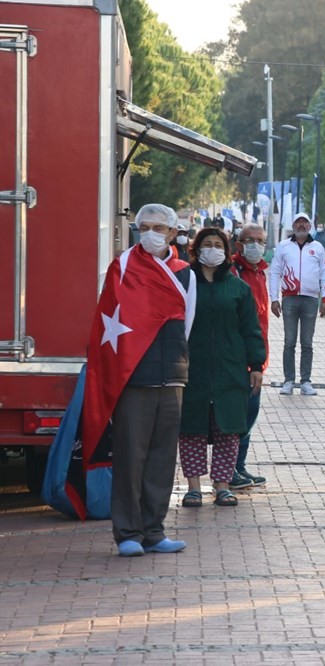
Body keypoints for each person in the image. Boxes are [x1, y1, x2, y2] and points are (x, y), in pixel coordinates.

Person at [82, 203, 196, 557]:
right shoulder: (124, 266)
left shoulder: (185, 273)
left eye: (158, 229)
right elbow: (108, 321)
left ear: (173, 234)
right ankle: (127, 533)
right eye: (144, 227)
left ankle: (154, 530)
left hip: (172, 376)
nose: (150, 234)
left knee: (162, 458)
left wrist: (178, 366)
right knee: (131, 457)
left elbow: (188, 324)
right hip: (134, 378)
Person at [178, 228, 265, 508]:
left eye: (218, 245)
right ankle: (192, 488)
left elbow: (251, 329)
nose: (212, 249)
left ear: (227, 251)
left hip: (231, 369)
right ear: (196, 249)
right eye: (207, 244)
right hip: (193, 367)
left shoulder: (239, 288)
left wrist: (256, 365)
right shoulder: (185, 282)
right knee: (192, 428)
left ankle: (223, 486)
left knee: (228, 430)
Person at [269, 212, 325, 396]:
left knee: (307, 343)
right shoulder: (283, 247)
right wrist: (274, 299)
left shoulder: (318, 248)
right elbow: (274, 272)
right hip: (289, 299)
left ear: (310, 226)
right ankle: (288, 380)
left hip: (311, 300)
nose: (301, 225)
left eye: (305, 222)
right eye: (298, 222)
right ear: (293, 226)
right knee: (289, 342)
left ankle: (306, 381)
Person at [230, 223, 270, 489]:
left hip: (257, 357)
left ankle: (239, 467)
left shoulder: (260, 272)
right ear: (239, 244)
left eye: (260, 240)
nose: (256, 245)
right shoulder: (233, 272)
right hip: (238, 358)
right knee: (237, 417)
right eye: (250, 240)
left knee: (249, 415)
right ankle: (229, 470)